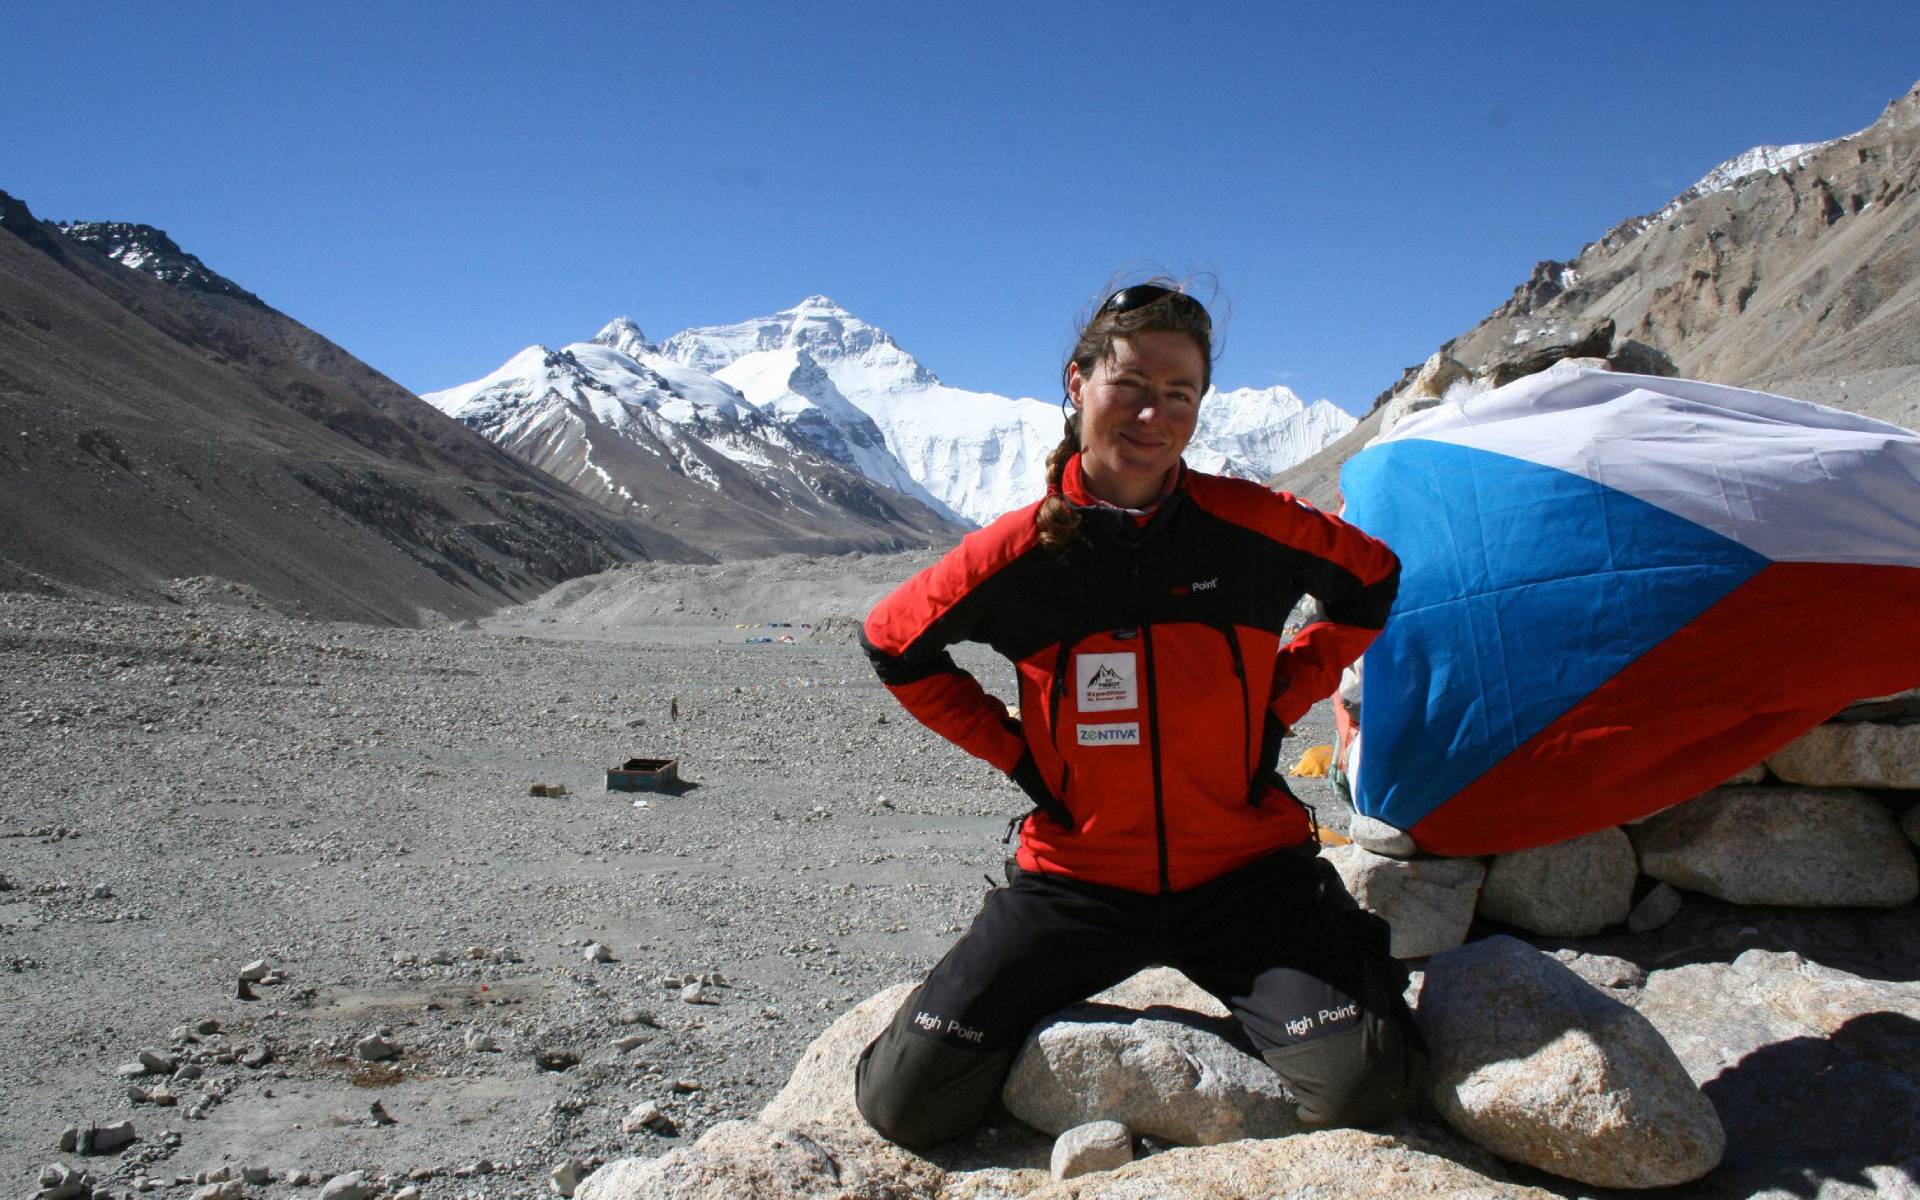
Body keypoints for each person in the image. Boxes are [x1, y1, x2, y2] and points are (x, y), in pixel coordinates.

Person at [853, 280, 1423, 1151]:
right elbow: (895, 643)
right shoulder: (1019, 552)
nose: (1154, 414)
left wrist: (1275, 705)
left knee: (1367, 1082)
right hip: (1077, 883)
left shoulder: (1249, 525)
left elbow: (1372, 582)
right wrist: (1022, 757)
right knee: (906, 1104)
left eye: (1179, 393)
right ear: (1077, 382)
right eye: (1130, 384)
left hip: (1243, 875)